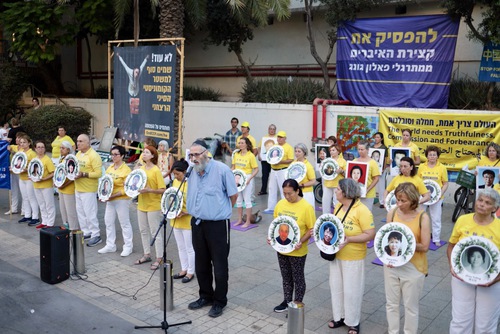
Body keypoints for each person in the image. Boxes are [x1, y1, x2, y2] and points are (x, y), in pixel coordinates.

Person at [186, 140, 238, 318]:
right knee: (201, 263)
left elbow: (233, 195)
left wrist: (219, 211)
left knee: (220, 265)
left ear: (206, 153)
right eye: (191, 155)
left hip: (217, 225)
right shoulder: (191, 170)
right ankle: (205, 296)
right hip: (197, 223)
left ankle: (219, 301)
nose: (193, 158)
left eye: (196, 154)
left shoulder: (222, 170)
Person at [447, 189, 500, 333]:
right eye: (480, 200)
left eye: (488, 203)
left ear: (495, 208)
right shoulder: (463, 220)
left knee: (486, 323)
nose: (482, 204)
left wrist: (497, 278)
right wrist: (452, 266)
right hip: (461, 278)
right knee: (460, 320)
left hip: (491, 282)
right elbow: (452, 246)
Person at [328, 178, 375, 334]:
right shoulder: (338, 206)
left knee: (352, 290)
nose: (335, 191)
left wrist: (350, 240)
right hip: (337, 255)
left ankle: (353, 322)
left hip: (354, 256)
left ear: (346, 192)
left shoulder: (362, 210)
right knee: (336, 287)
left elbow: (370, 234)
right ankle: (339, 317)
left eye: (338, 189)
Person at [384, 182, 431, 334]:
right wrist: (388, 257)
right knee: (391, 304)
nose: (399, 203)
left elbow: (425, 246)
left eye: (403, 200)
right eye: (398, 199)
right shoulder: (392, 212)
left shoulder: (423, 217)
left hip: (413, 267)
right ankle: (393, 331)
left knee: (411, 307)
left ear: (413, 200)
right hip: (392, 265)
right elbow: (385, 238)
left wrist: (405, 244)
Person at [269, 179, 316, 313]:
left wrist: (301, 240)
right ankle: (287, 300)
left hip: (298, 250)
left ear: (297, 191)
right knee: (286, 277)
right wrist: (272, 238)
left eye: (290, 193)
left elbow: (311, 229)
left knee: (298, 278)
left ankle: (297, 305)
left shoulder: (306, 207)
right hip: (282, 248)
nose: (287, 197)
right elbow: (276, 224)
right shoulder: (280, 204)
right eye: (285, 193)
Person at [134, 146, 166, 270]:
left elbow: (162, 189)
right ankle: (146, 254)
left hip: (153, 205)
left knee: (155, 232)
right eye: (143, 152)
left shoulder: (156, 170)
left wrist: (149, 190)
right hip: (141, 204)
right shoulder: (140, 169)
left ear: (153, 156)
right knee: (143, 230)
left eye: (147, 152)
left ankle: (159, 257)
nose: (144, 154)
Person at [98, 146, 133, 256]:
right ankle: (110, 245)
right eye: (112, 154)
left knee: (124, 223)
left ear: (122, 156)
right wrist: (103, 195)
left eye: (116, 154)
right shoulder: (110, 168)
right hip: (110, 200)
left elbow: (128, 188)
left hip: (121, 199)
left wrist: (116, 195)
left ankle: (128, 246)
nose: (113, 157)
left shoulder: (126, 170)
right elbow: (105, 184)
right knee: (108, 221)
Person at [74, 134, 103, 247]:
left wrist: (84, 174)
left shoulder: (94, 155)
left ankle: (96, 234)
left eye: (81, 141)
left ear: (88, 143)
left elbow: (98, 173)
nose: (78, 143)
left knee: (90, 213)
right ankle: (86, 232)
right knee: (81, 213)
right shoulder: (78, 154)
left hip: (89, 189)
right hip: (78, 188)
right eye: (77, 141)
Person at [170, 159, 195, 283]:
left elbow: (196, 203)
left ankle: (191, 271)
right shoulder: (175, 182)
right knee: (180, 247)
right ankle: (183, 268)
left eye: (178, 174)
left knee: (189, 247)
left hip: (187, 219)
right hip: (176, 219)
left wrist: (186, 212)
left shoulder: (192, 183)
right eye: (174, 174)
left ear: (185, 172)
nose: (176, 176)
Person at [418, 146, 448, 246]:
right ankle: (420, 237)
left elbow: (445, 183)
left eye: (434, 154)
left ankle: (436, 239)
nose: (432, 156)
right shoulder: (422, 166)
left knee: (436, 219)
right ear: (427, 156)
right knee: (420, 217)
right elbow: (418, 181)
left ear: (437, 156)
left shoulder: (442, 167)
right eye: (430, 154)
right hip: (423, 197)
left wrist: (440, 195)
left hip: (437, 198)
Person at [10, 134, 40, 225]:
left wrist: (26, 169)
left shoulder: (32, 153)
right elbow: (16, 163)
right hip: (21, 178)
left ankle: (35, 217)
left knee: (31, 197)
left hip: (29, 178)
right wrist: (13, 168)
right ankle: (27, 215)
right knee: (25, 197)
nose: (22, 144)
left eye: (24, 142)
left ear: (29, 143)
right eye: (21, 142)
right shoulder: (20, 152)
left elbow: (36, 167)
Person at [232, 137, 259, 227]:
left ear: (247, 144)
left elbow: (256, 169)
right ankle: (239, 219)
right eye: (239, 143)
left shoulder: (250, 155)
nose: (240, 144)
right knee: (238, 200)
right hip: (237, 178)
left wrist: (250, 178)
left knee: (247, 200)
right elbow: (233, 167)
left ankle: (247, 221)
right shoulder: (236, 154)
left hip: (247, 178)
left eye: (242, 143)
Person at [266, 131, 294, 211]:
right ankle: (271, 207)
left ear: (285, 138)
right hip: (273, 169)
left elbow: (291, 159)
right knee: (271, 188)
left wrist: (280, 162)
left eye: (281, 137)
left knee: (283, 189)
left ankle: (284, 207)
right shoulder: (274, 146)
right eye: (278, 137)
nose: (279, 139)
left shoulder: (288, 147)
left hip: (283, 170)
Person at [31, 141, 55, 229]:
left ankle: (50, 223)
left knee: (49, 204)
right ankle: (44, 221)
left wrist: (44, 179)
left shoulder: (47, 159)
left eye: (42, 147)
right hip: (36, 185)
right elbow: (32, 171)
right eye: (39, 147)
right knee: (41, 204)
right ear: (35, 149)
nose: (40, 149)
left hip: (46, 185)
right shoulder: (34, 159)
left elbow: (53, 173)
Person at [56, 141, 78, 231]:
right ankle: (65, 225)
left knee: (70, 210)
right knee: (63, 209)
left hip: (68, 188)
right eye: (60, 148)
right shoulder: (61, 159)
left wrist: (63, 184)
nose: (61, 150)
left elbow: (72, 177)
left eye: (63, 148)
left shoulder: (71, 160)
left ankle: (73, 228)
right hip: (61, 188)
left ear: (68, 150)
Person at [354, 140, 380, 212]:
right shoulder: (354, 161)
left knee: (366, 214)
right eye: (359, 149)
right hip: (355, 194)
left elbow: (376, 178)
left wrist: (367, 190)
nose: (360, 151)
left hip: (368, 194)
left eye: (362, 149)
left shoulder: (372, 163)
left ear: (368, 150)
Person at [322, 144, 346, 214]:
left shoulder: (343, 161)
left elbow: (346, 175)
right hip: (327, 184)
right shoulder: (327, 161)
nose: (331, 152)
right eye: (330, 150)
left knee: (337, 203)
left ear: (338, 151)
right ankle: (325, 218)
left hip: (337, 186)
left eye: (333, 150)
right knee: (325, 203)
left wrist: (341, 171)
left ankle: (338, 218)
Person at [293, 143, 317, 207]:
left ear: (304, 153)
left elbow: (313, 181)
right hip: (295, 192)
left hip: (306, 193)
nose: (296, 153)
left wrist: (302, 185)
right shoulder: (293, 164)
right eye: (295, 151)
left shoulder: (308, 166)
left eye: (299, 151)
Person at [257, 124, 277, 195]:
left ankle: (273, 190)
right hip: (265, 160)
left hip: (274, 161)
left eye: (273, 129)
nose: (272, 130)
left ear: (275, 130)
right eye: (270, 129)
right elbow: (259, 147)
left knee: (274, 176)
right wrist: (259, 155)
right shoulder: (264, 138)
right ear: (268, 130)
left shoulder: (277, 138)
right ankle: (263, 190)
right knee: (264, 175)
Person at [372, 132, 388, 208]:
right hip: (372, 169)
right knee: (372, 184)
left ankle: (382, 201)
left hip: (381, 169)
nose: (376, 139)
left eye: (378, 137)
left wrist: (383, 168)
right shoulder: (372, 147)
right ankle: (371, 199)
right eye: (375, 137)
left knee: (381, 186)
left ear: (381, 139)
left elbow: (385, 159)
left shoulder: (384, 147)